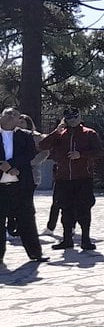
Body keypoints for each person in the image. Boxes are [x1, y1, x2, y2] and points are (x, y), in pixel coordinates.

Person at [39, 107, 103, 251]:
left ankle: (85, 239)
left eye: (75, 117)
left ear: (80, 117)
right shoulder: (60, 134)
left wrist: (81, 154)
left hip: (83, 178)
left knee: (84, 209)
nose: (72, 121)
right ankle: (67, 239)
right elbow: (42, 145)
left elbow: (99, 152)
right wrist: (57, 130)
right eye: (69, 118)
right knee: (65, 210)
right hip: (63, 179)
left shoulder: (89, 133)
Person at [0, 106, 48, 263]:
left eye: (15, 115)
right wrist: (3, 166)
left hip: (21, 184)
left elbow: (30, 154)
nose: (11, 117)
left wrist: (13, 167)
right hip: (1, 186)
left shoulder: (26, 136)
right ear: (1, 116)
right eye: (8, 114)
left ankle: (35, 253)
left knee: (27, 219)